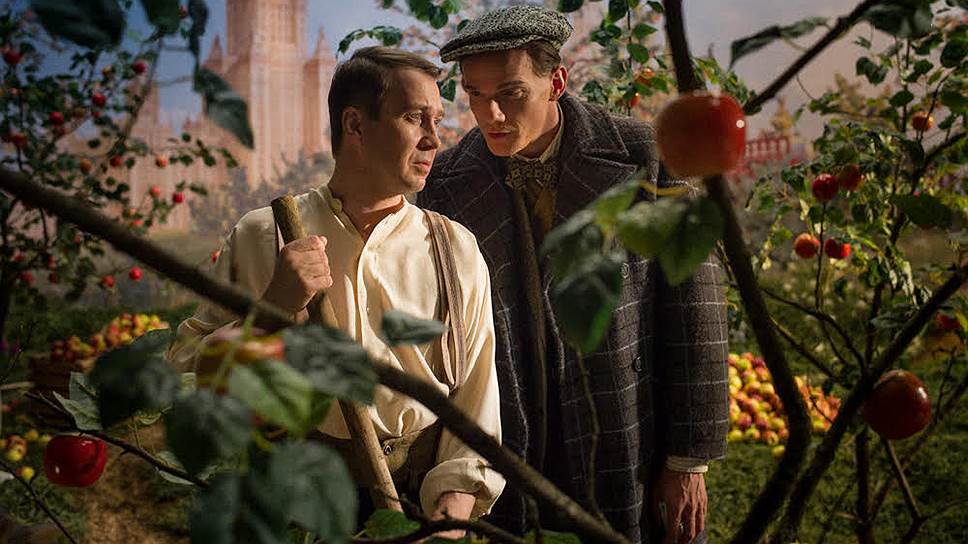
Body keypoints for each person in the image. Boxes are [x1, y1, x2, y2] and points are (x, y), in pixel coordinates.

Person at [419, 6, 729, 543]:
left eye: (511, 93)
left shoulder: (643, 155)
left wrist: (687, 460)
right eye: (474, 94)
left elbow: (695, 307)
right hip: (511, 440)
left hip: (627, 425)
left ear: (557, 82)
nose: (490, 114)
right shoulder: (446, 181)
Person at [167, 46, 505, 536]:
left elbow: (476, 405)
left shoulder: (455, 248)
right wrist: (273, 311)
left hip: (421, 511)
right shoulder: (262, 236)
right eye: (415, 118)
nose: (435, 139)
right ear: (355, 125)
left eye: (437, 120)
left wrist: (446, 525)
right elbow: (184, 376)